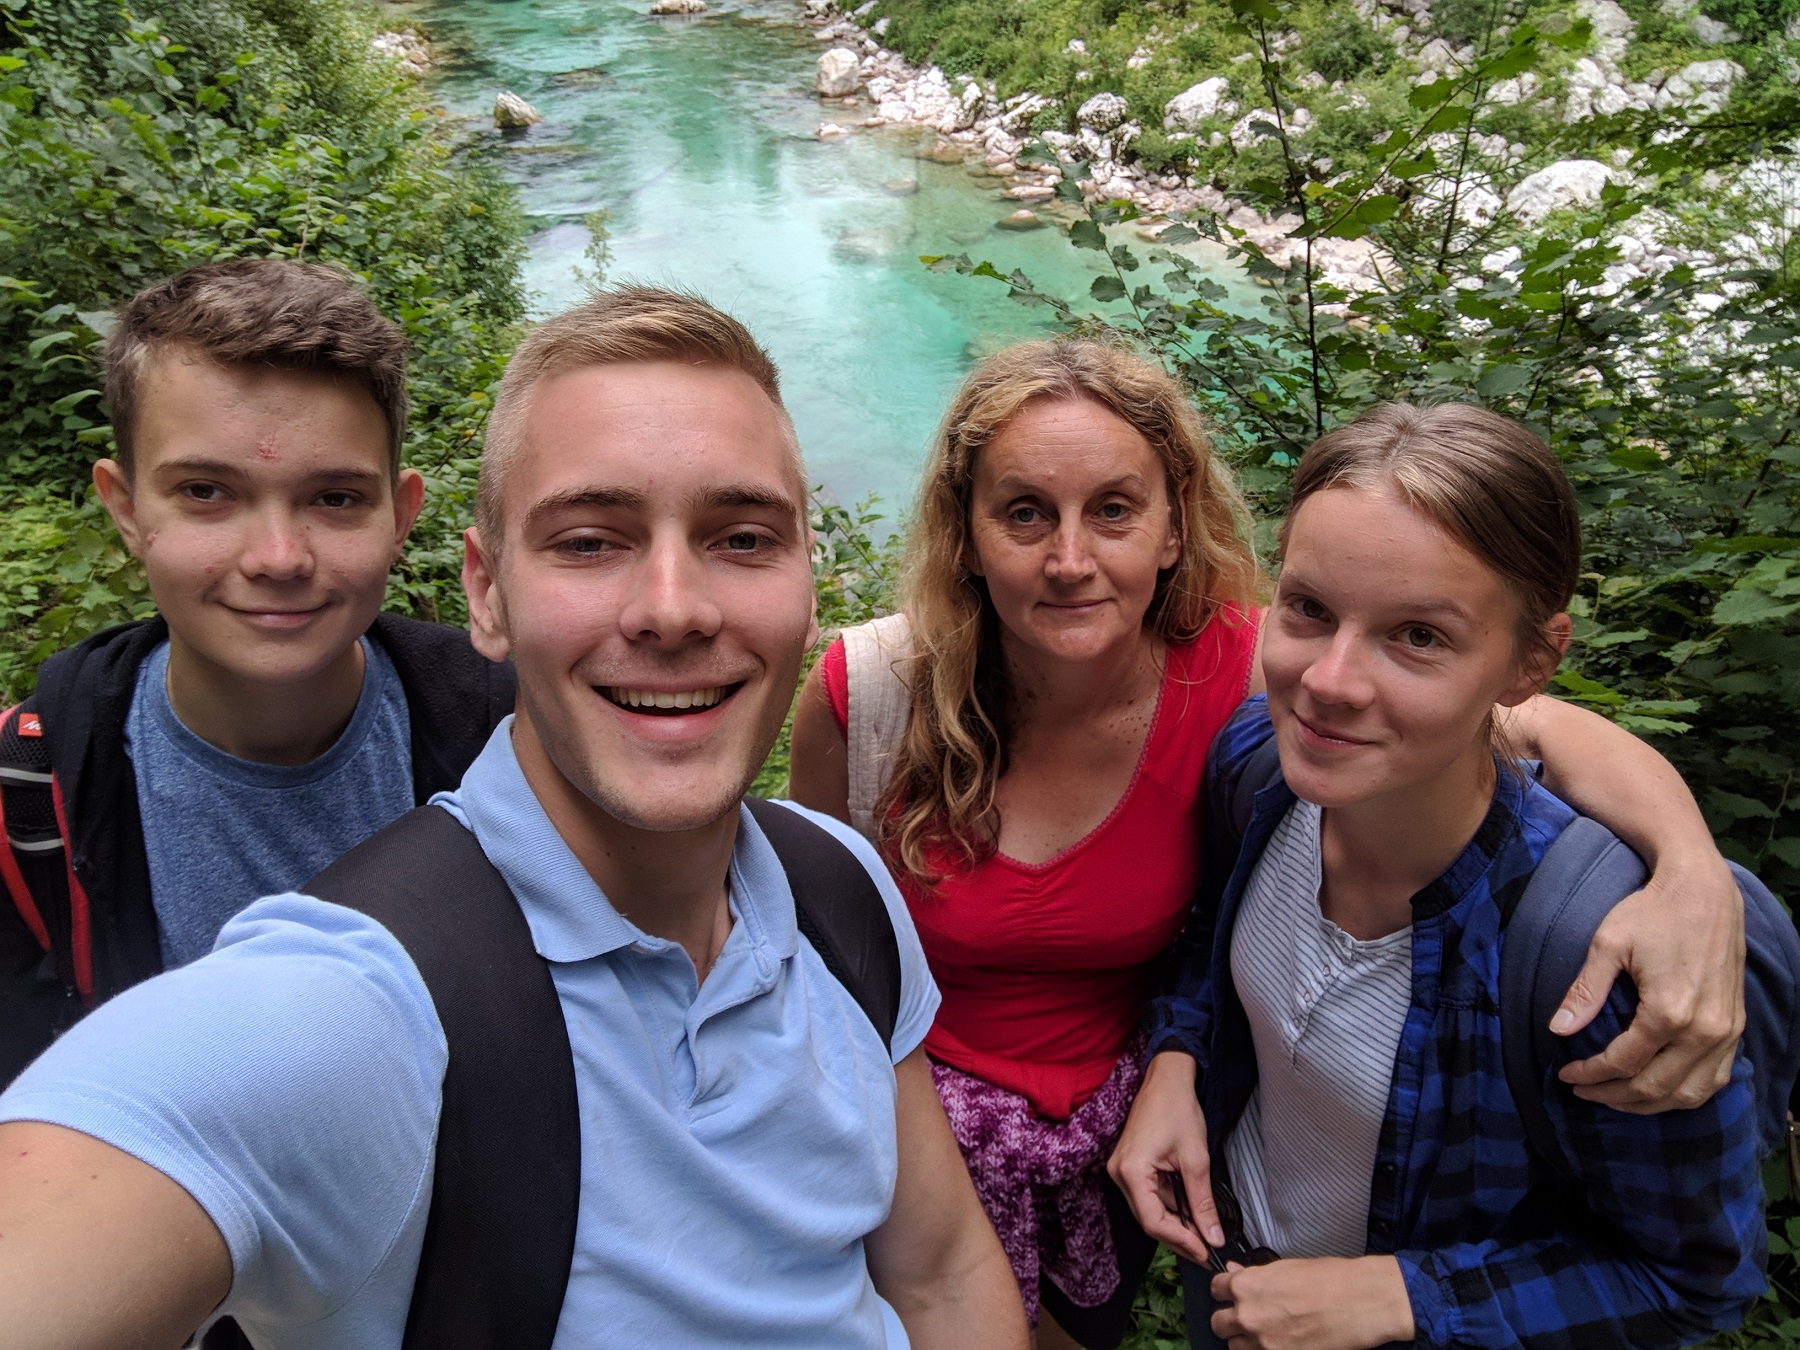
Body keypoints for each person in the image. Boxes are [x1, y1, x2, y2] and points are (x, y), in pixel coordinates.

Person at [0, 287, 1028, 1349]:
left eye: (742, 536)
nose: (673, 608)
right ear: (486, 596)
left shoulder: (839, 885)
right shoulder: (353, 1004)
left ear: (814, 578)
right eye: (589, 542)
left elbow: (943, 1270)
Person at [791, 343, 1751, 1349]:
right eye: (1024, 511)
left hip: (1102, 1161)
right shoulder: (898, 698)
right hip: (938, 1148)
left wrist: (1691, 871)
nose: (1069, 558)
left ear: (1174, 526)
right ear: (968, 532)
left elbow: (1526, 725)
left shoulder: (1253, 690)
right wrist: (1178, 1053)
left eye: (1115, 509)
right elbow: (816, 954)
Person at [1111, 402, 1766, 1349]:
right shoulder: (1260, 770)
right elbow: (1212, 932)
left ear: (1530, 661)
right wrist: (1179, 1057)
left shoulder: (1591, 964)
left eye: (1419, 636)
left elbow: (1690, 1279)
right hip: (1232, 1277)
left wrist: (1404, 1298)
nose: (1331, 681)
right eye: (1309, 609)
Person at [0, 259, 513, 1085]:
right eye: (206, 491)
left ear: (400, 513)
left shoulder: (512, 741)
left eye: (335, 498)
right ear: (127, 509)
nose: (278, 558)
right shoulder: (31, 795)